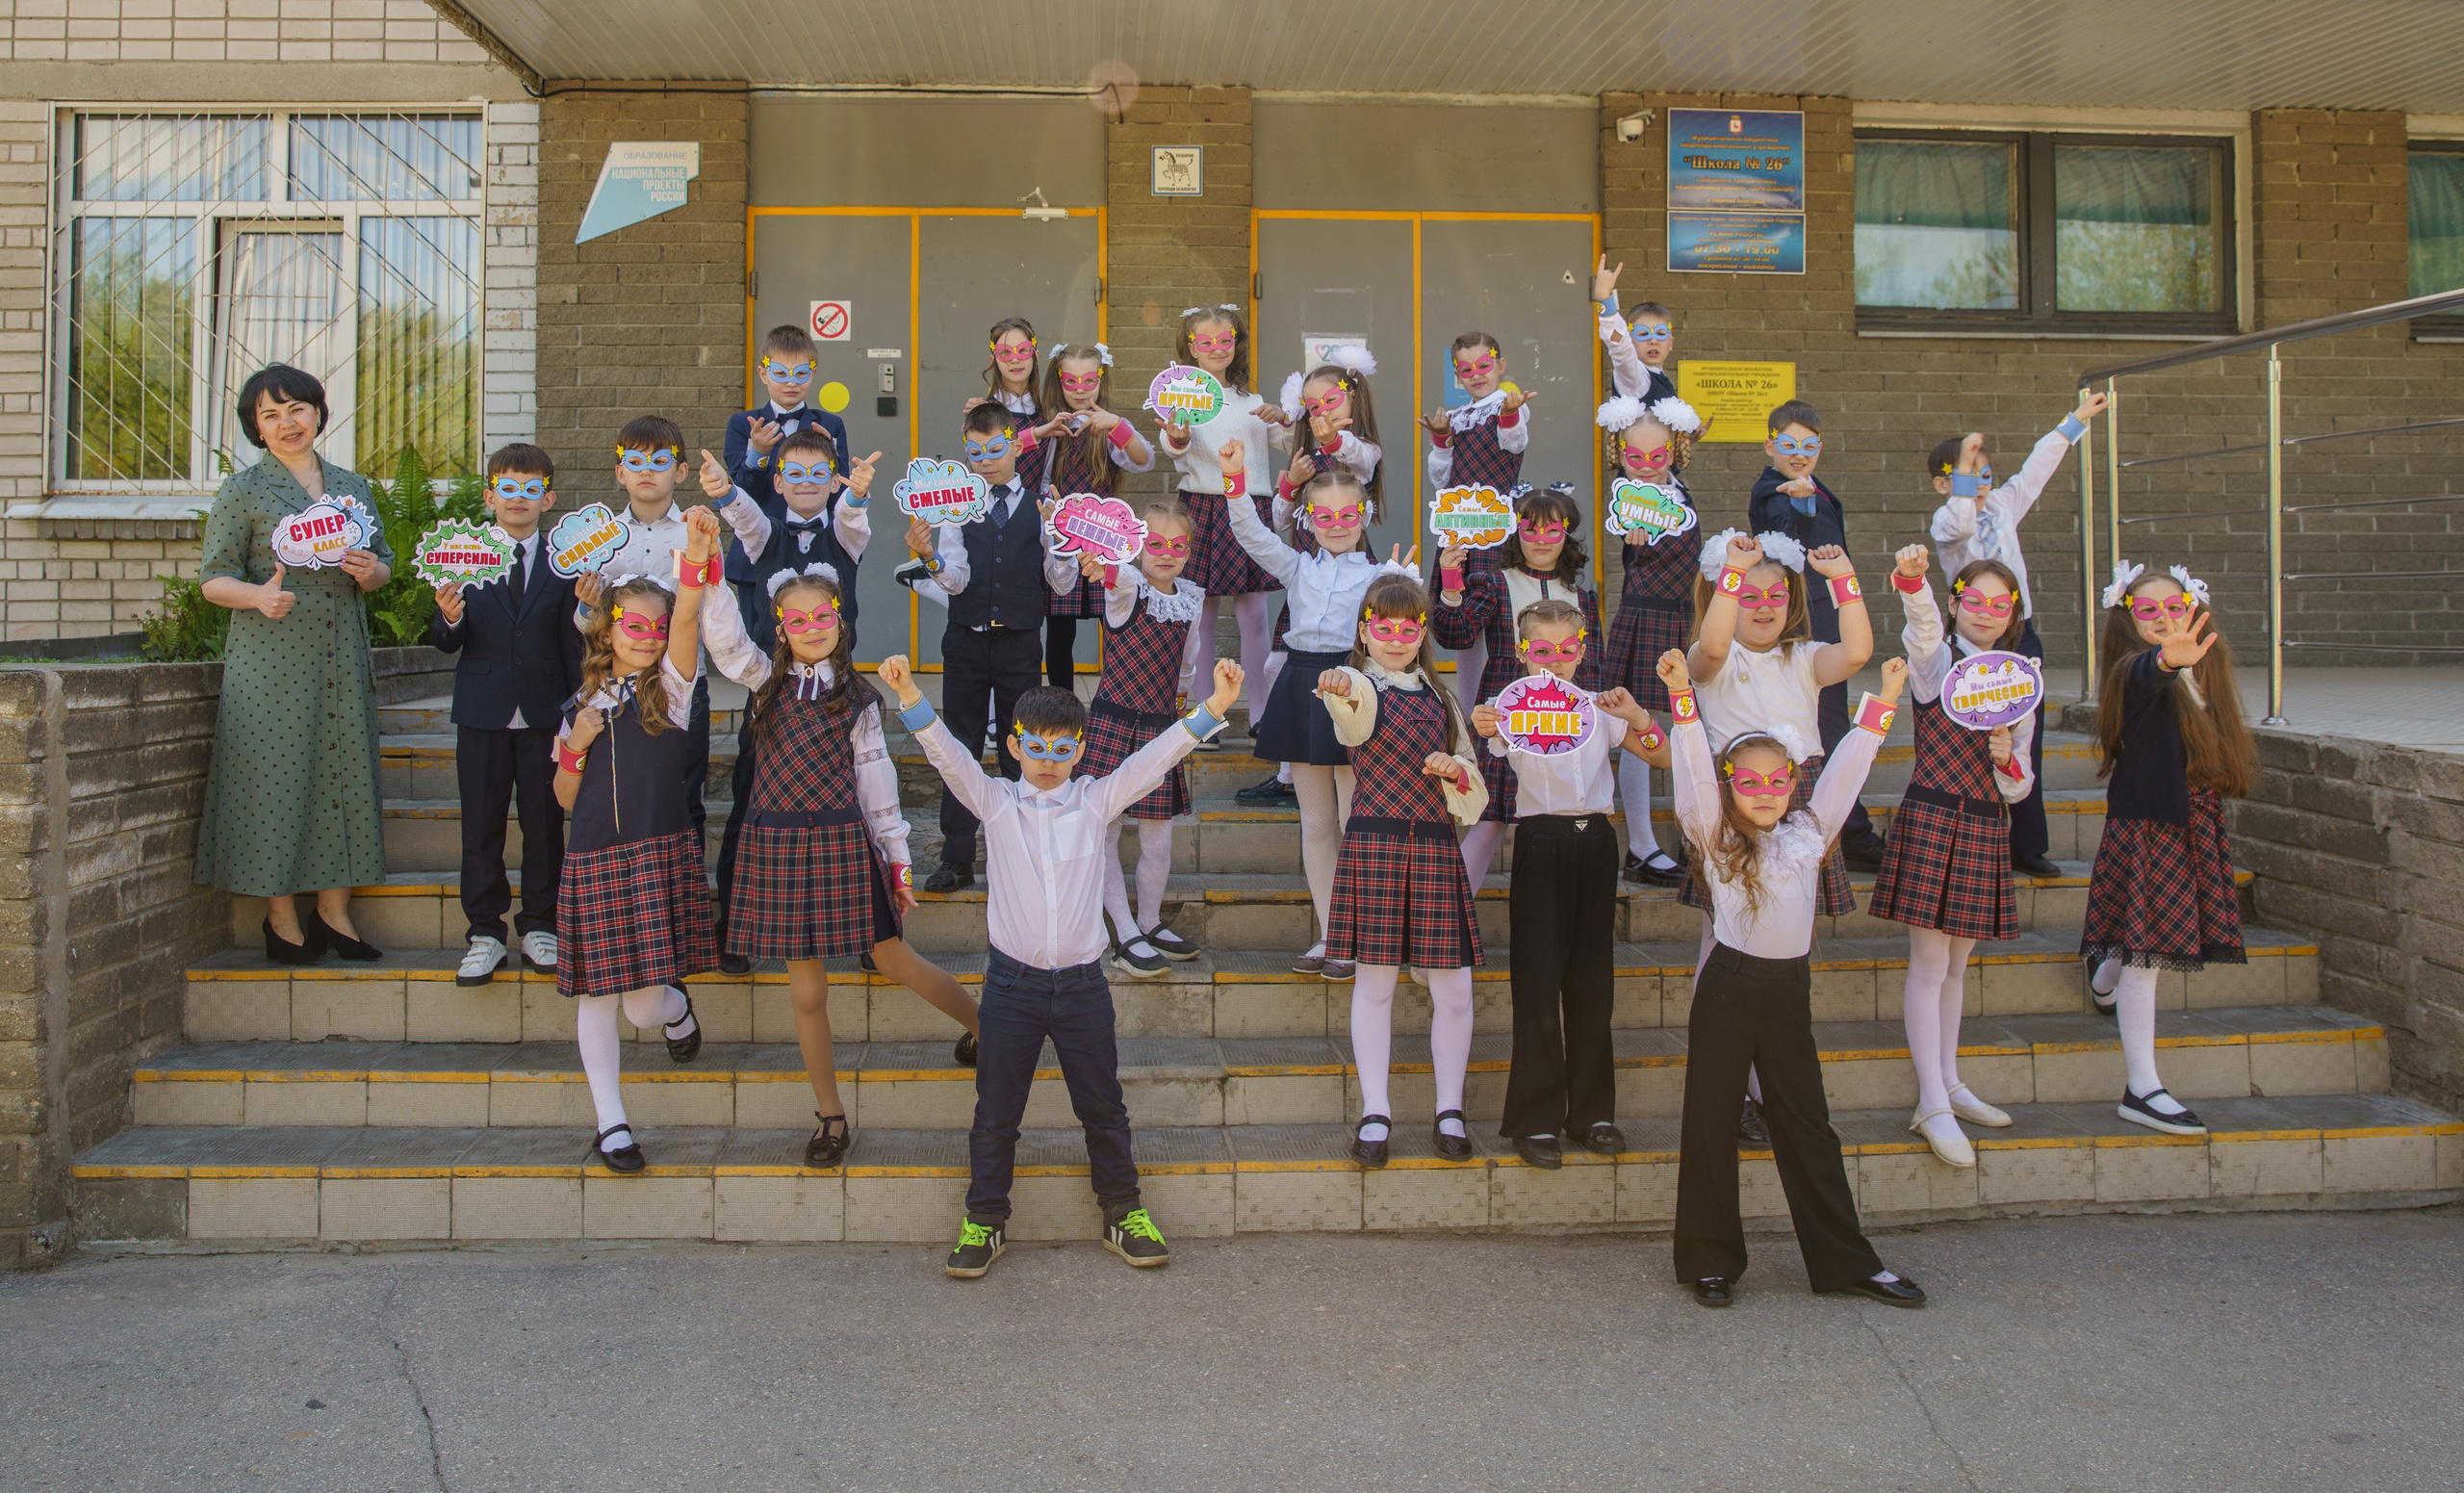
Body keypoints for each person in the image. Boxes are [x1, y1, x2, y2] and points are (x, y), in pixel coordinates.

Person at [880, 652, 1245, 1279]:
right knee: (996, 1112)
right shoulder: (996, 803)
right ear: (1016, 746)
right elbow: (948, 755)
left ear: (1080, 750)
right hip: (1010, 988)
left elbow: (1154, 758)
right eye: (1036, 747)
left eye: (1062, 748)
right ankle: (984, 1218)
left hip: (1082, 988)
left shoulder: (1098, 801)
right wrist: (911, 694)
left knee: (1103, 1106)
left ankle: (1123, 1211)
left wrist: (1213, 707)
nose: (1048, 761)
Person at [696, 546, 982, 1168]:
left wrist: (899, 864)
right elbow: (721, 641)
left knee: (896, 959)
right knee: (805, 993)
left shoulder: (859, 698)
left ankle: (987, 1030)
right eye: (795, 621)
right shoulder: (761, 680)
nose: (811, 628)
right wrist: (710, 571)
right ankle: (830, 1114)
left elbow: (878, 789)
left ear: (839, 618)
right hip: (775, 849)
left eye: (821, 616)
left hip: (840, 846)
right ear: (779, 629)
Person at [1660, 647, 1926, 1310]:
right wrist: (1683, 701)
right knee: (1711, 1119)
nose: (1766, 793)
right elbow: (1693, 770)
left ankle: (1844, 1259)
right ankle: (1709, 1258)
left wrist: (1882, 702)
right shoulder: (1713, 831)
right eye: (1749, 783)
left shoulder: (1810, 829)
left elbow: (1844, 772)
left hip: (1786, 992)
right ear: (1729, 787)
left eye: (1777, 781)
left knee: (1808, 1123)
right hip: (1728, 987)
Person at [194, 363, 394, 964]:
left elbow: (383, 566)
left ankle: (335, 912)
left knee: (343, 774)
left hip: (339, 655)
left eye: (297, 410)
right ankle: (281, 917)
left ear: (317, 413)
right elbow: (213, 580)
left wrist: (369, 571)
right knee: (272, 782)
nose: (287, 424)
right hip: (271, 657)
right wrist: (257, 595)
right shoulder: (243, 491)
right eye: (271, 414)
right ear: (256, 427)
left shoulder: (351, 488)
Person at [1684, 529, 1874, 1144]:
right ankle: (1728, 1081)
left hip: (1801, 800)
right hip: (1733, 801)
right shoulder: (1713, 660)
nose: (1762, 605)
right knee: (1723, 941)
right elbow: (1711, 644)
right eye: (1747, 594)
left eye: (1775, 594)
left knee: (1789, 941)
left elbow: (1856, 654)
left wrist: (1843, 579)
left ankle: (1772, 1084)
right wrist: (1732, 573)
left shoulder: (1804, 656)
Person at [1471, 597, 1670, 1168]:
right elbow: (1489, 740)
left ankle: (1593, 1113)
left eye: (1565, 650)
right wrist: (1486, 723)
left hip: (1595, 844)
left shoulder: (1599, 707)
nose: (1554, 661)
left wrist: (1636, 717)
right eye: (1541, 650)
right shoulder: (1509, 708)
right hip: (1541, 841)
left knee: (1592, 981)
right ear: (1521, 651)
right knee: (1537, 980)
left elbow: (1663, 758)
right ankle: (1534, 1120)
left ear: (1581, 652)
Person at [550, 522, 722, 1174]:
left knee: (644, 1003)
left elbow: (684, 627)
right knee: (598, 998)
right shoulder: (578, 702)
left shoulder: (672, 692)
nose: (646, 636)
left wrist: (696, 564)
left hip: (654, 859)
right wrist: (577, 743)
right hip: (593, 861)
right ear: (607, 627)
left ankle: (677, 1012)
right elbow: (564, 796)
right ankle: (612, 1123)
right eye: (633, 624)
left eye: (655, 627)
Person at [1865, 547, 2036, 1168]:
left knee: (1959, 965)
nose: (1985, 613)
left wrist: (2004, 756)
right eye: (1974, 600)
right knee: (1930, 964)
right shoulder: (1938, 662)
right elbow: (1923, 627)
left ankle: (1950, 1082)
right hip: (1935, 815)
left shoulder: (2020, 681)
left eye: (1999, 604)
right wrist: (1913, 582)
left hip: (1987, 822)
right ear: (1957, 602)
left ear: (2012, 611)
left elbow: (2022, 783)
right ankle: (1931, 1101)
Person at [1219, 443, 1416, 979]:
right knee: (1317, 822)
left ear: (1365, 516)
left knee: (1358, 819)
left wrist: (1414, 583)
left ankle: (1365, 933)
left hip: (1355, 686)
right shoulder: (1298, 565)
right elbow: (1252, 535)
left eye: (1347, 515)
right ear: (1308, 519)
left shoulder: (1381, 575)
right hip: (1301, 684)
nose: (1336, 524)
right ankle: (1333, 934)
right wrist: (1235, 479)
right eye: (1323, 515)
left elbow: (1405, 627)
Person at [1318, 573, 1489, 1167]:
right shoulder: (1360, 685)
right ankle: (1376, 1110)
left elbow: (1474, 791)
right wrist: (1340, 686)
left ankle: (1449, 1109)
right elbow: (1355, 724)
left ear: (1422, 631)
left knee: (1456, 989)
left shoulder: (1442, 699)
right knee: (1376, 984)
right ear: (1366, 630)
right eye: (1383, 627)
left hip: (1437, 848)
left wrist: (1456, 772)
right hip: (1377, 846)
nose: (1396, 637)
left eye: (1408, 627)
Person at [2082, 561, 2254, 1136]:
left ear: (2192, 607)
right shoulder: (2131, 668)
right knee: (2148, 956)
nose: (2162, 618)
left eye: (2173, 607)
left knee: (2140, 937)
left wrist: (2186, 662)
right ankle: (2141, 1087)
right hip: (2150, 822)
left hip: (2193, 815)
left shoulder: (2208, 666)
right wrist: (2165, 660)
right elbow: (2145, 678)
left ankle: (2102, 974)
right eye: (2147, 610)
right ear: (2127, 619)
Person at [705, 429, 878, 973]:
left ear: (833, 479)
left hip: (836, 694)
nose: (807, 483)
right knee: (748, 804)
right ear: (778, 482)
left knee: (860, 804)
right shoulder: (765, 537)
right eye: (794, 474)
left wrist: (857, 495)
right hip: (772, 691)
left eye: (818, 473)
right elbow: (745, 517)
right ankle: (735, 924)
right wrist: (725, 489)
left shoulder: (844, 537)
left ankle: (874, 929)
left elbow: (853, 518)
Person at [1927, 390, 2110, 878]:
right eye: (1969, 477)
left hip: (2019, 635)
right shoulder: (1948, 521)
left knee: (2027, 735)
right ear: (1944, 485)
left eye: (1985, 475)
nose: (1982, 485)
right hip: (1971, 640)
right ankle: (1966, 840)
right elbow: (1962, 521)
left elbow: (2036, 468)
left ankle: (2027, 843)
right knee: (1971, 737)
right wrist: (1965, 476)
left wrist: (2071, 422)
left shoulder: (2005, 504)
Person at [428, 443, 583, 985]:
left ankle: (541, 925)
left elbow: (573, 643)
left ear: (548, 498)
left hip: (545, 714)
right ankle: (485, 932)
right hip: (483, 711)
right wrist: (448, 619)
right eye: (508, 489)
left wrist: (576, 712)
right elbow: (447, 641)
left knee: (545, 826)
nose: (519, 499)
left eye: (531, 489)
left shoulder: (567, 562)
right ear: (490, 495)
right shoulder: (462, 553)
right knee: (482, 825)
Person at [575, 417, 769, 844]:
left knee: (684, 795)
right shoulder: (598, 538)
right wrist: (588, 606)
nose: (647, 470)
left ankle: (687, 900)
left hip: (682, 684)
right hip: (614, 685)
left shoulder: (695, 530)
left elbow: (711, 608)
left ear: (680, 472)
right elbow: (588, 627)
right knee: (617, 792)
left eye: (660, 461)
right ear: (619, 471)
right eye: (635, 461)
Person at [900, 402, 1051, 891]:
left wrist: (1067, 547)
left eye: (994, 449)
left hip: (1021, 643)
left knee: (1019, 747)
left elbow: (1059, 581)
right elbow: (958, 579)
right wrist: (931, 558)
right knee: (960, 747)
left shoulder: (1043, 505)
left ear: (1015, 444)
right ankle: (957, 856)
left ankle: (1018, 853)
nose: (986, 459)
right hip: (965, 640)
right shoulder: (956, 506)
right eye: (975, 451)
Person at [1432, 482, 1604, 889]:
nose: (1541, 540)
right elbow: (1454, 634)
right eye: (1531, 530)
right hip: (1508, 715)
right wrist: (1451, 581)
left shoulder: (1584, 597)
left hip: (1565, 723)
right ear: (1515, 533)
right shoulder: (1495, 583)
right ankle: (1452, 922)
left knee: (1554, 818)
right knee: (1491, 821)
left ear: (1567, 534)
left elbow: (1592, 669)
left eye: (1552, 530)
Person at [1062, 502, 1207, 977]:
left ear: (1189, 550)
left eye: (1178, 545)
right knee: (1106, 830)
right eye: (1156, 544)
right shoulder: (1127, 588)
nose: (1166, 553)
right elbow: (1114, 577)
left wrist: (1182, 704)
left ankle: (1149, 922)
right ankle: (1123, 932)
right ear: (1138, 546)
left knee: (1158, 838)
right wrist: (1099, 562)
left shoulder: (1190, 599)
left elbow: (1188, 660)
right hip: (1113, 723)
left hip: (1161, 727)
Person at [1239, 348, 1386, 805]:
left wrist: (1331, 443)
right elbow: (1282, 519)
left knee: (1345, 661)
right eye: (1312, 404)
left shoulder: (1362, 447)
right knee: (1284, 662)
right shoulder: (1303, 452)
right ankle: (1289, 763)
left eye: (1329, 401)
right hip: (1307, 567)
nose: (1320, 411)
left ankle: (1314, 758)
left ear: (1353, 397)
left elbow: (1359, 459)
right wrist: (1290, 481)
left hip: (1349, 569)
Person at [1748, 399, 1888, 868]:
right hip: (1803, 624)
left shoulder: (1817, 485)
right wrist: (1801, 502)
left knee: (1831, 722)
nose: (1799, 453)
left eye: (1809, 445)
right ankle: (1849, 831)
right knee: (1826, 725)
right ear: (1770, 445)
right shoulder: (1772, 491)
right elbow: (1784, 527)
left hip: (1828, 623)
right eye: (1788, 444)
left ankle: (1841, 823)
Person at [1154, 304, 1288, 734]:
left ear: (1236, 343)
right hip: (1200, 508)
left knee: (1254, 618)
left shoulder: (1253, 402)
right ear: (1189, 346)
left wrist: (1281, 417)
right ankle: (1204, 716)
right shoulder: (1179, 398)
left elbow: (1285, 441)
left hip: (1249, 507)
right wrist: (1176, 435)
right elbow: (1173, 443)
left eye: (1224, 340)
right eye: (1205, 341)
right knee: (1199, 617)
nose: (1216, 348)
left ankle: (1264, 717)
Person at [1596, 393, 1706, 888]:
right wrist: (1635, 541)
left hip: (1682, 618)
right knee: (1642, 730)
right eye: (1634, 457)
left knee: (1678, 728)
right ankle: (1640, 846)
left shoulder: (1677, 489)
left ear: (1674, 451)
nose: (1644, 466)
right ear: (1619, 454)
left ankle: (1694, 834)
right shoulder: (1630, 499)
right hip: (1647, 619)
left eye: (1656, 456)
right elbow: (1630, 535)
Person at [1417, 331, 1534, 716]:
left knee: (1501, 621)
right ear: (1457, 374)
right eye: (1466, 369)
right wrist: (1439, 440)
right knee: (1464, 624)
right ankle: (1468, 715)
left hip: (1496, 529)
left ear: (1500, 365)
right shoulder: (1459, 416)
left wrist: (1512, 413)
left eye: (1484, 365)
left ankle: (1502, 709)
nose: (1476, 374)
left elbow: (1514, 443)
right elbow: (1442, 479)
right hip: (1460, 529)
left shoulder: (1507, 406)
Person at [1031, 341, 1156, 691]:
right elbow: (1037, 477)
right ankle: (1061, 705)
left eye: (1090, 380)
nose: (1081, 389)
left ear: (1102, 379)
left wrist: (1116, 424)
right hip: (1062, 539)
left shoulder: (1111, 425)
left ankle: (1112, 700)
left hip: (1105, 540)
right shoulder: (1050, 425)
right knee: (1059, 628)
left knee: (1113, 621)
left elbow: (1145, 460)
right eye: (1071, 382)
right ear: (1059, 380)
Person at [725, 322, 851, 506]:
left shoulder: (831, 425)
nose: (791, 383)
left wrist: (829, 456)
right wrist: (758, 453)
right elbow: (741, 497)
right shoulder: (742, 425)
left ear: (812, 373)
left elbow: (839, 497)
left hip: (818, 532)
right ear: (763, 374)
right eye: (780, 373)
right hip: (760, 531)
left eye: (800, 373)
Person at [1591, 257, 1681, 407]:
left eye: (1660, 333)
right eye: (1643, 334)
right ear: (1630, 340)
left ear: (1671, 342)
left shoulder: (1660, 377)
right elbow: (1620, 348)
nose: (1653, 341)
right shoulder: (1633, 377)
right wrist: (1604, 299)